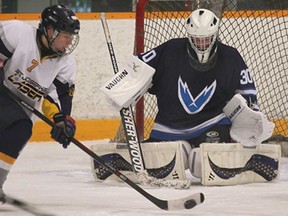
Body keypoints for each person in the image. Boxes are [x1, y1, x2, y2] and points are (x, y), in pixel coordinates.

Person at [138, 8, 260, 147]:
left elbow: (247, 93)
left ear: (214, 35)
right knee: (166, 161)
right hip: (169, 127)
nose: (202, 44)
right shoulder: (170, 50)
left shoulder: (230, 56)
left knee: (207, 156)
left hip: (212, 123)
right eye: (197, 40)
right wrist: (125, 87)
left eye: (206, 39)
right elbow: (138, 68)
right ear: (189, 36)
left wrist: (252, 113)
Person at [0, 4, 80, 199]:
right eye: (66, 36)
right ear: (50, 31)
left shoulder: (65, 64)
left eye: (72, 37)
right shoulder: (16, 32)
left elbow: (56, 100)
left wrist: (62, 122)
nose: (69, 42)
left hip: (19, 107)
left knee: (21, 128)